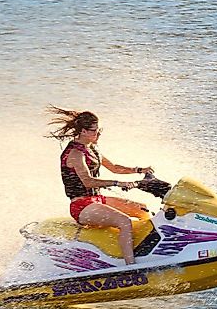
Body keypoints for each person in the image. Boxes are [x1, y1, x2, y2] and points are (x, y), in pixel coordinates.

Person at [45, 106, 155, 265]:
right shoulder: (75, 154)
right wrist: (117, 183)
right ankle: (130, 266)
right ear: (83, 131)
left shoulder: (92, 148)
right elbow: (88, 181)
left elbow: (114, 168)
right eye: (94, 131)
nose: (98, 134)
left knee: (142, 209)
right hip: (81, 206)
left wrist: (139, 170)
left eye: (98, 130)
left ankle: (146, 251)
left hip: (97, 199)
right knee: (124, 221)